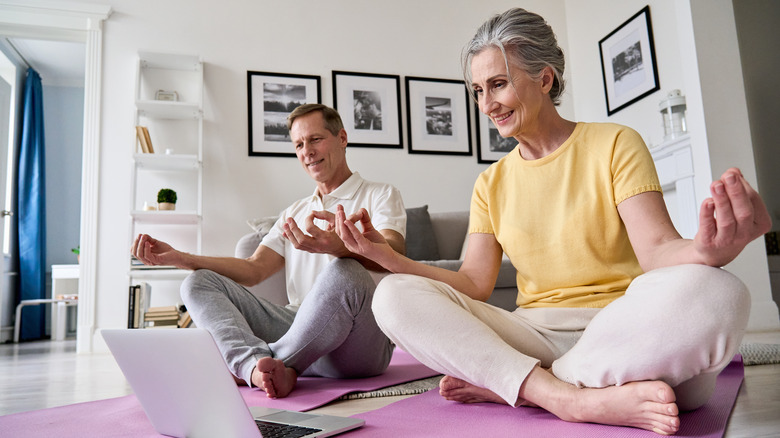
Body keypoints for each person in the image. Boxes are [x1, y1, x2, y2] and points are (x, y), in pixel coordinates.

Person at [335, 8, 771, 435]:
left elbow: (657, 251)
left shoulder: (615, 143)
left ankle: (520, 384)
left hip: (624, 329)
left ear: (544, 79)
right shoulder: (490, 183)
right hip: (534, 333)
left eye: (498, 84)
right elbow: (473, 284)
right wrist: (386, 257)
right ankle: (565, 397)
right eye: (477, 90)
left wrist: (705, 251)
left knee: (721, 292)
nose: (487, 104)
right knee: (392, 296)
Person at [132, 103, 406, 399]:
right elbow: (253, 269)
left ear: (342, 138)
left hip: (359, 344)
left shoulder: (381, 194)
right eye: (299, 144)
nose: (307, 151)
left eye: (315, 139)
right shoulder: (294, 211)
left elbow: (394, 253)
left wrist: (342, 248)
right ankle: (254, 367)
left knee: (346, 271)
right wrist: (181, 258)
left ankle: (267, 362)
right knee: (198, 282)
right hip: (301, 331)